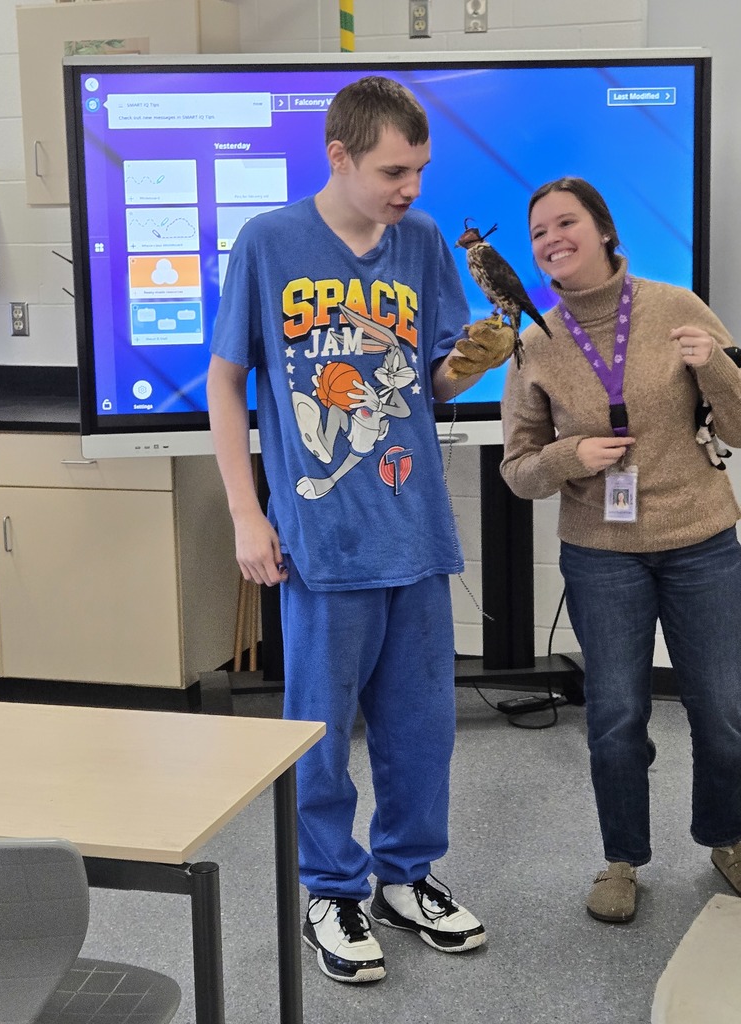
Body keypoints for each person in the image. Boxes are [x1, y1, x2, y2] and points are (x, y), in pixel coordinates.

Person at [207, 76, 487, 983]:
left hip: (416, 532)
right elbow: (225, 381)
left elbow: (431, 383)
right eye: (394, 170)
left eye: (420, 169)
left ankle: (407, 877)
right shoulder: (269, 243)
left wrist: (475, 361)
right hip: (321, 542)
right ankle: (331, 888)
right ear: (339, 156)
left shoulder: (423, 241)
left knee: (420, 729)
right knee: (320, 732)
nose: (411, 187)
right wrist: (248, 513)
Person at [500, 176, 741, 924]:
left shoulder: (677, 308)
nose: (550, 240)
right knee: (613, 715)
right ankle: (621, 860)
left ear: (604, 230)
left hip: (702, 541)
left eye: (565, 223)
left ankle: (727, 837)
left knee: (726, 708)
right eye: (538, 232)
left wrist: (716, 365)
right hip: (601, 555)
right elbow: (518, 470)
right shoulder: (533, 340)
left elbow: (739, 427)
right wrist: (573, 455)